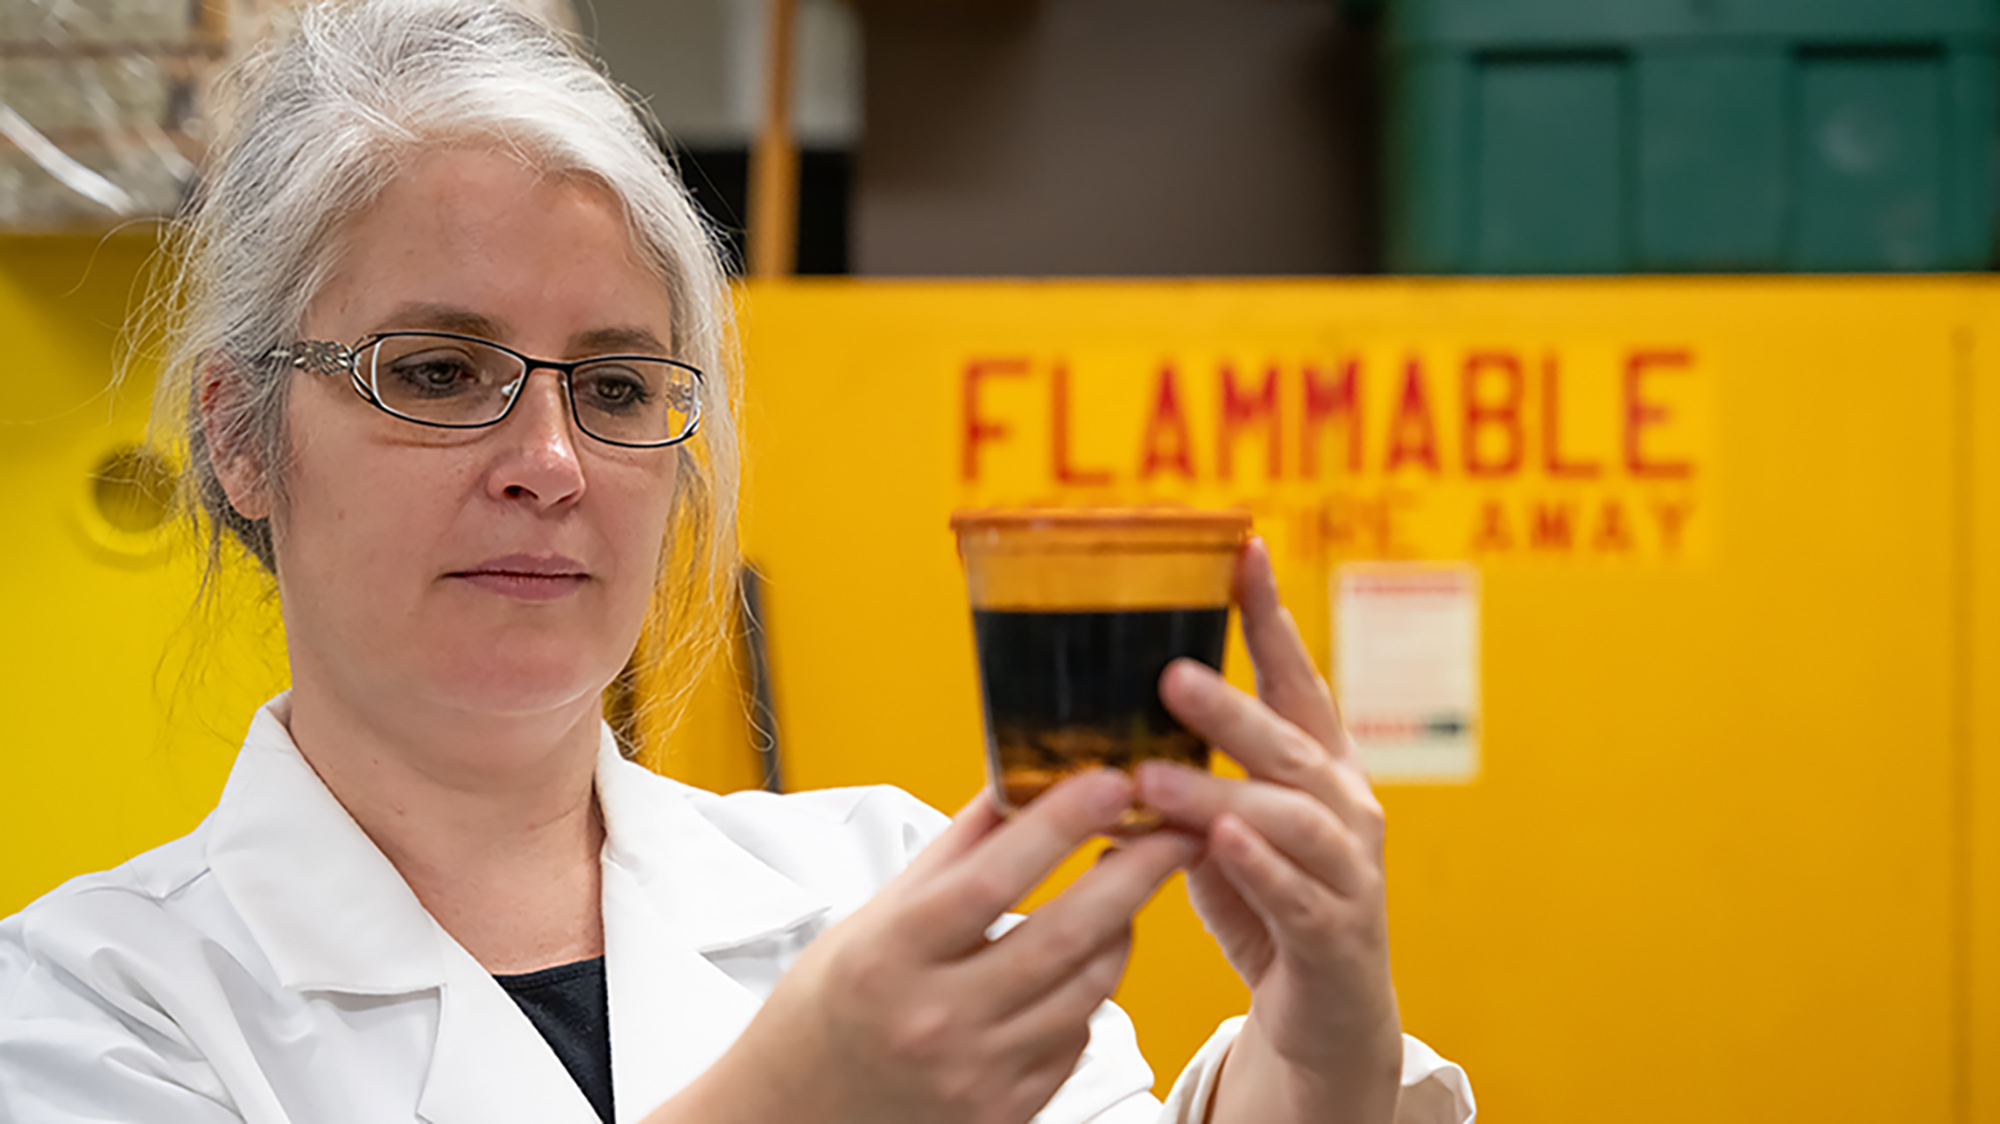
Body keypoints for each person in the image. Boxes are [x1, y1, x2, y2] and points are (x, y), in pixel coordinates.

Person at [0, 2, 1475, 1122]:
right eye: (437, 372)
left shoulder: (882, 892)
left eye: (620, 384)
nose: (551, 459)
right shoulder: (91, 1008)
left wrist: (1316, 1049)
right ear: (243, 438)